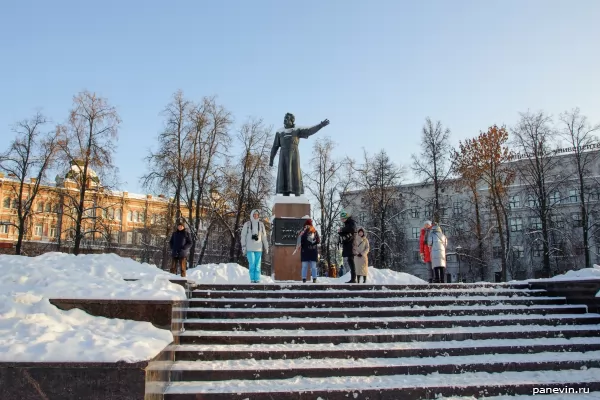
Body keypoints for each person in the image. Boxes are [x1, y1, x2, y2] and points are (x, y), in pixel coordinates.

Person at [241, 209, 269, 283]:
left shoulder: (261, 225)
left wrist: (266, 247)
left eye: (257, 214)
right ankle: (252, 280)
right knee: (252, 263)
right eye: (254, 214)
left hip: (258, 248)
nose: (256, 216)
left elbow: (264, 237)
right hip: (250, 248)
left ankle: (257, 280)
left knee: (257, 266)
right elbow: (243, 236)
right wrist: (243, 246)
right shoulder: (247, 224)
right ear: (252, 215)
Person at [338, 210, 358, 283]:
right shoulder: (348, 223)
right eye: (341, 219)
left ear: (346, 218)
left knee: (351, 261)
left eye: (343, 219)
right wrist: (340, 232)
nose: (342, 220)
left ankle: (353, 278)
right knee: (350, 261)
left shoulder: (351, 223)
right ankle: (353, 278)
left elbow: (352, 229)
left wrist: (342, 230)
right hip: (349, 244)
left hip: (351, 245)